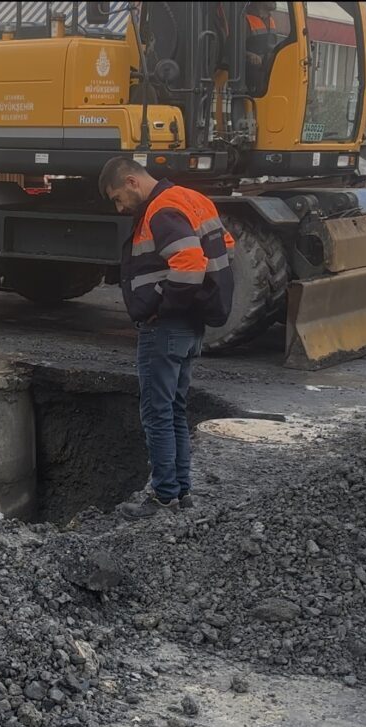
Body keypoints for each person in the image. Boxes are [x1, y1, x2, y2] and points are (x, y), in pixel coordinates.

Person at [99, 156, 234, 519]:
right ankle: (181, 493)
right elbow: (225, 245)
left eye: (117, 198)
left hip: (167, 328)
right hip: (192, 326)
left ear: (131, 182)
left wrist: (162, 305)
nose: (120, 206)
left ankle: (163, 497)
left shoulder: (161, 210)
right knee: (175, 409)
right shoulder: (193, 198)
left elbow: (190, 263)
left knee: (157, 413)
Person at [244, 1, 280, 91]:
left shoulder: (271, 20)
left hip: (267, 78)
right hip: (249, 81)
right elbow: (232, 49)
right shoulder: (244, 19)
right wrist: (249, 55)